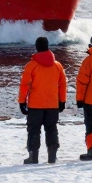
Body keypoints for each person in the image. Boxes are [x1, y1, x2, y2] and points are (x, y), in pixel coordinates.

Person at [18, 36, 67, 164]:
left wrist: (22, 102)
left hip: (36, 105)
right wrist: (62, 101)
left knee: (34, 130)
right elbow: (62, 84)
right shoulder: (57, 66)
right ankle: (52, 157)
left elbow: (25, 85)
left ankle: (33, 157)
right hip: (52, 104)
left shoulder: (31, 65)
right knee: (52, 129)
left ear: (36, 47)